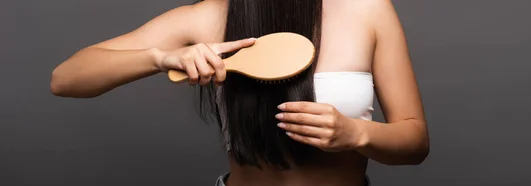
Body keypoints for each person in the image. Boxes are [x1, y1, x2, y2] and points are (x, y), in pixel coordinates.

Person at [50, 0, 430, 185]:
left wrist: (356, 134)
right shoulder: (208, 16)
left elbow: (415, 142)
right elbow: (65, 79)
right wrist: (160, 57)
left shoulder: (367, 10)